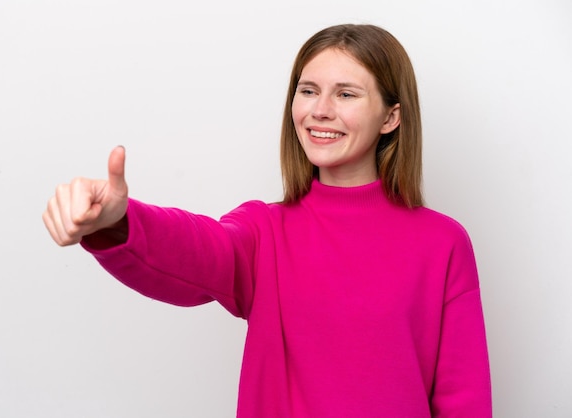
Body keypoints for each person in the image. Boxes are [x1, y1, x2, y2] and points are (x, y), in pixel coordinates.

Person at [43, 24, 492, 418]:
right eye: (308, 90)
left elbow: (463, 399)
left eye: (346, 94)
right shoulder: (265, 232)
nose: (319, 110)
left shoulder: (442, 242)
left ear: (391, 117)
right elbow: (197, 247)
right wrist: (119, 219)